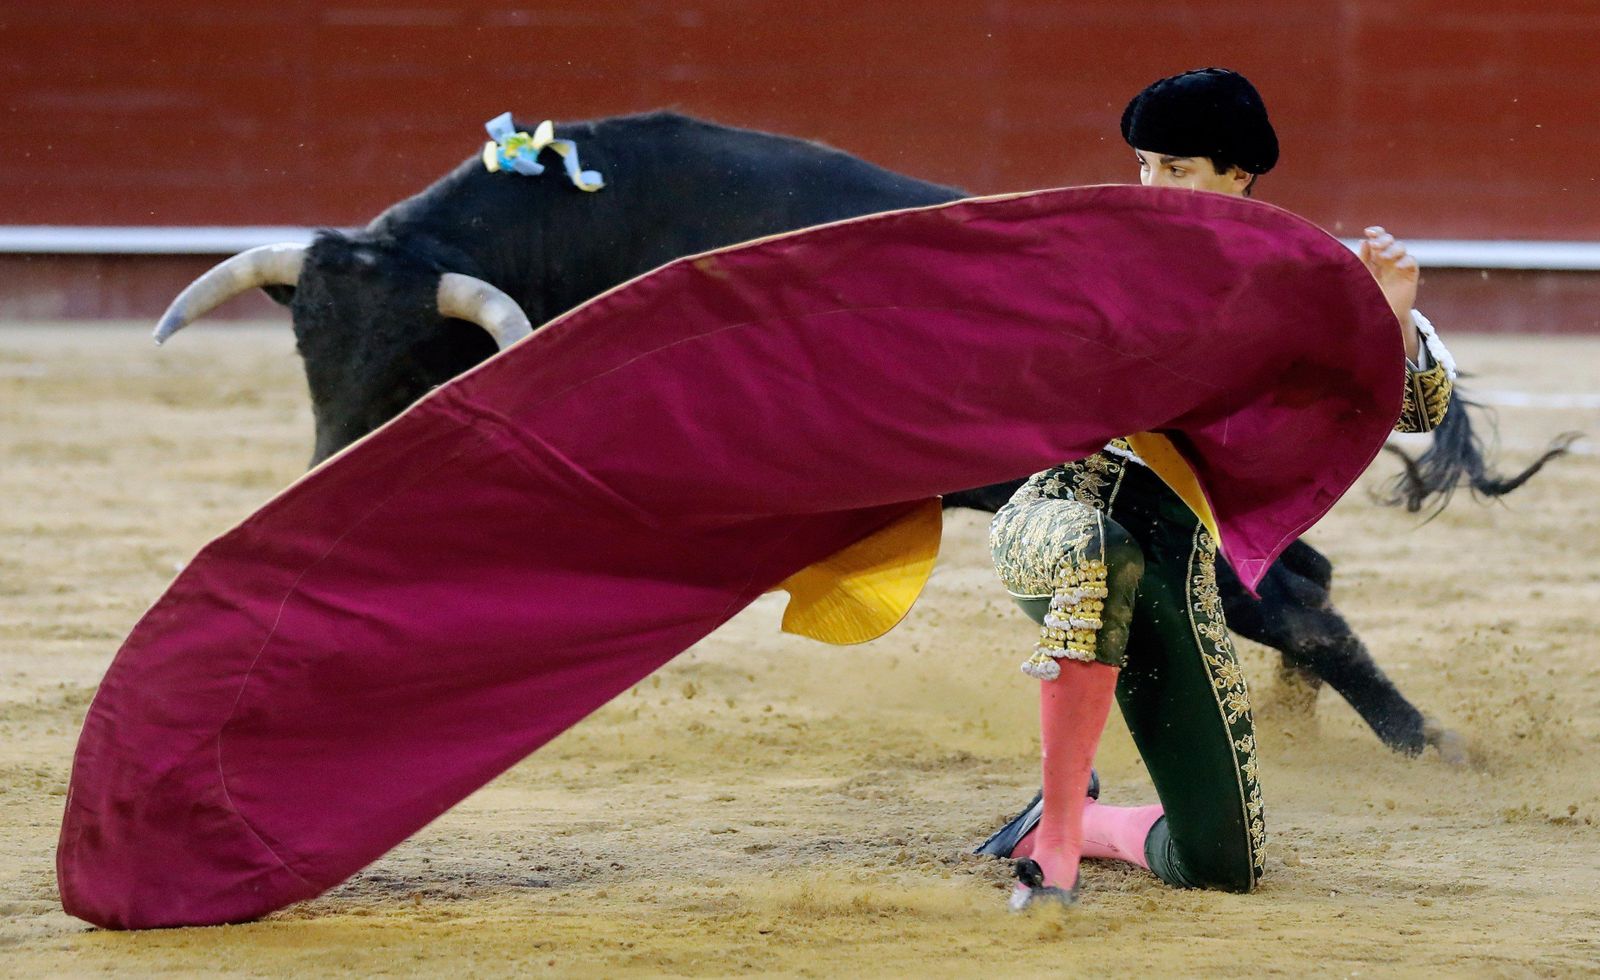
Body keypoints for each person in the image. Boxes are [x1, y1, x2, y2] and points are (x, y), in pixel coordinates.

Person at [978, 67, 1456, 906]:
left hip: (1180, 572)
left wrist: (1390, 321)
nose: (1153, 185)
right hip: (1055, 519)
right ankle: (1052, 847)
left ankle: (1077, 828)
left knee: (1222, 868)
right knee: (1100, 550)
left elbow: (1416, 409)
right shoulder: (1092, 256)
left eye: (1178, 167)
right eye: (1144, 163)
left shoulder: (1301, 286)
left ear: (1239, 175)